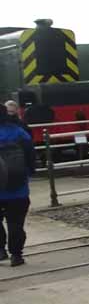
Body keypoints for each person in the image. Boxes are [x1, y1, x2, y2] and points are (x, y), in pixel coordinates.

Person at [0, 106, 35, 266]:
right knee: (16, 223)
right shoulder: (18, 131)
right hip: (18, 186)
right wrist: (30, 173)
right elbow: (31, 154)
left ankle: (1, 251)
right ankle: (16, 255)